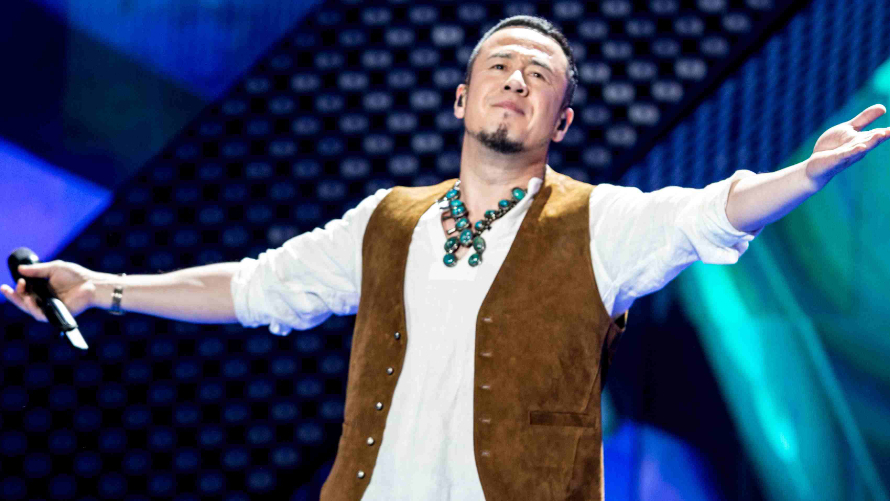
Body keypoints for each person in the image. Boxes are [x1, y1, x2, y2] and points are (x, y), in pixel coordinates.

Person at [3, 15, 888, 501]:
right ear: (463, 98)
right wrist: (103, 286)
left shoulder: (601, 222)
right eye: (501, 65)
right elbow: (259, 286)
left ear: (561, 121)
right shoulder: (389, 219)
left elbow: (708, 214)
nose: (517, 79)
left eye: (539, 75)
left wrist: (804, 176)